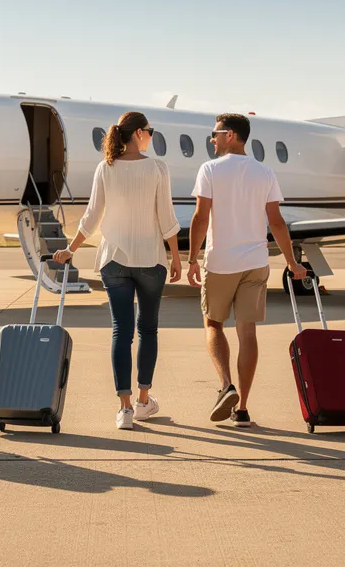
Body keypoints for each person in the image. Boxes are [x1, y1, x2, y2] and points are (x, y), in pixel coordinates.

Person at [55, 111, 182, 430]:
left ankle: (124, 409)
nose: (152, 135)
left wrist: (71, 248)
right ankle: (143, 401)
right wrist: (177, 257)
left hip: (114, 260)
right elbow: (166, 218)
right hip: (151, 260)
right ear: (139, 133)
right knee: (148, 330)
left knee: (120, 331)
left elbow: (92, 215)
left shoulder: (105, 168)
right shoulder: (157, 168)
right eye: (150, 131)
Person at [187, 113, 306, 428]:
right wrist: (292, 263)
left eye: (215, 133)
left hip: (221, 262)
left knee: (213, 325)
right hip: (256, 262)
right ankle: (242, 408)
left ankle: (226, 384)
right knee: (248, 332)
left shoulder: (210, 170)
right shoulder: (265, 172)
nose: (212, 139)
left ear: (230, 135)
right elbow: (276, 222)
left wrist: (191, 259)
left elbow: (200, 217)